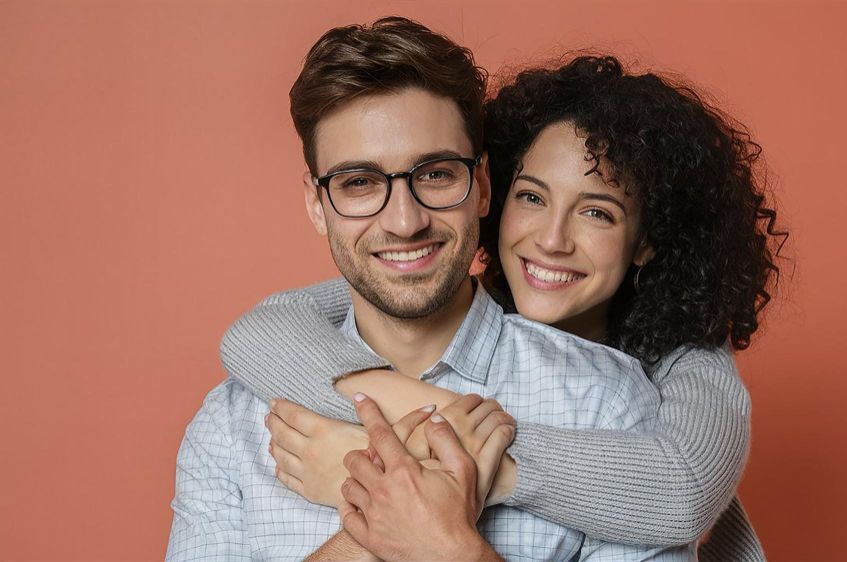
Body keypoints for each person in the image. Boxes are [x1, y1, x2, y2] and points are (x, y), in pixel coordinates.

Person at [221, 47, 783, 562]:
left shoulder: (674, 369)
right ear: (494, 196)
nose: (552, 239)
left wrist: (400, 462)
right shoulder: (420, 289)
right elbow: (262, 332)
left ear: (649, 241)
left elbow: (680, 493)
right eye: (532, 197)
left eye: (597, 212)